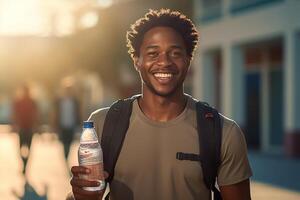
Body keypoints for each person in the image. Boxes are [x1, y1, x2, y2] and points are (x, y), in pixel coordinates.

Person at [68, 9, 252, 200]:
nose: (164, 62)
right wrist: (79, 195)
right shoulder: (102, 123)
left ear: (188, 61)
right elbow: (85, 194)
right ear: (136, 61)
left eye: (175, 53)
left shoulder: (223, 132)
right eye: (153, 53)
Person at [12, 84, 38, 174]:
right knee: (21, 148)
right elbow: (15, 114)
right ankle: (24, 163)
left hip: (29, 128)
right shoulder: (18, 102)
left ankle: (25, 165)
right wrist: (15, 125)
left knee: (28, 148)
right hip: (21, 128)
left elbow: (36, 114)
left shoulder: (33, 102)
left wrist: (35, 125)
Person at [54, 80, 81, 161]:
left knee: (69, 142)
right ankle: (65, 155)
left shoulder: (75, 101)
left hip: (71, 125)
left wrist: (79, 122)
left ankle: (66, 155)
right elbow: (55, 113)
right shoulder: (59, 101)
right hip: (62, 125)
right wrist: (55, 123)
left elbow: (78, 112)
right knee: (63, 142)